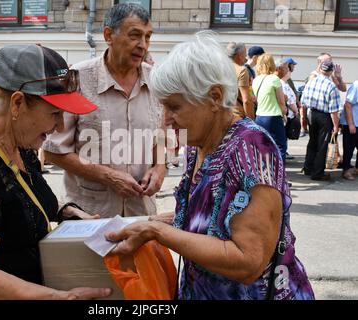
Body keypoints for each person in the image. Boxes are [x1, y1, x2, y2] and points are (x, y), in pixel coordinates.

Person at [106, 32, 315, 300]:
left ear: (215, 97)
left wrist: (157, 231)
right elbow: (212, 216)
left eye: (174, 107)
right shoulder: (200, 142)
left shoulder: (251, 149)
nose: (166, 119)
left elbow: (248, 261)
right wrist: (149, 222)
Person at [0, 44, 112, 300]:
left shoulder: (19, 141)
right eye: (55, 113)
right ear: (17, 103)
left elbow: (19, 200)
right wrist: (58, 298)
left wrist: (66, 212)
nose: (59, 127)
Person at [43, 3, 165, 218]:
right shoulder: (78, 79)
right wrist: (108, 176)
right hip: (90, 216)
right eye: (135, 36)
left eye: (148, 37)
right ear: (109, 35)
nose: (143, 45)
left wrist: (160, 168)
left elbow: (162, 137)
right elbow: (54, 151)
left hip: (142, 215)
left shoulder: (157, 80)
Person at [301, 61, 341, 181]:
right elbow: (333, 110)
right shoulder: (331, 85)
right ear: (331, 71)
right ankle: (317, 173)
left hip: (312, 114)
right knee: (322, 145)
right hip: (324, 117)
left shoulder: (311, 81)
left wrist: (304, 118)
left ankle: (308, 168)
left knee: (312, 142)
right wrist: (336, 126)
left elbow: (303, 101)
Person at [252, 54, 287, 162]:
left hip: (259, 117)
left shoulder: (256, 80)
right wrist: (284, 113)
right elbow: (281, 101)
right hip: (273, 116)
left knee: (263, 146)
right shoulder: (274, 79)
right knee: (280, 146)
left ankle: (264, 173)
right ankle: (278, 173)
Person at [277, 59, 299, 161]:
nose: (289, 73)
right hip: (285, 115)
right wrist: (295, 110)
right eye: (288, 71)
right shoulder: (283, 84)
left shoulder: (282, 83)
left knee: (282, 138)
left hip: (285, 114)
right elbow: (289, 100)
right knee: (282, 139)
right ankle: (281, 160)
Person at [226, 42, 255, 119]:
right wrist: (251, 120)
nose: (245, 58)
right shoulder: (242, 70)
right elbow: (246, 100)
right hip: (237, 115)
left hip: (223, 114)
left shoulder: (221, 69)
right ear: (239, 55)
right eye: (245, 54)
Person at [340, 81, 358, 181]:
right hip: (352, 123)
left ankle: (356, 168)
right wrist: (351, 124)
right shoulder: (356, 86)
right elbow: (347, 104)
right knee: (349, 149)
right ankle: (345, 171)